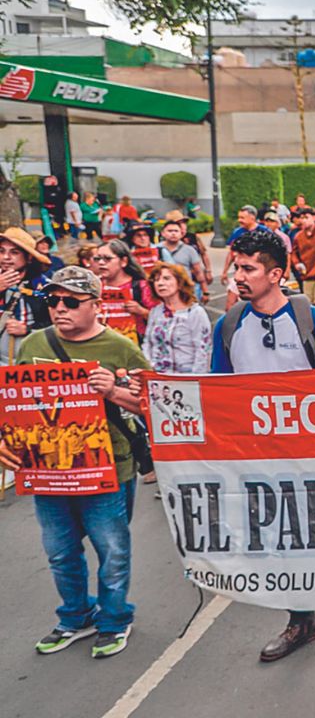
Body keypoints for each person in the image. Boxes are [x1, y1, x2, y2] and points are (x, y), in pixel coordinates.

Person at [210, 227, 315, 662]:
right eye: (236, 267)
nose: (238, 276)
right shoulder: (228, 326)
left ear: (275, 273)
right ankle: (301, 621)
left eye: (248, 268)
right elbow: (217, 395)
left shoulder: (310, 319)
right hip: (260, 461)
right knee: (282, 543)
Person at [0, 266, 149, 659]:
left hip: (107, 470)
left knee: (111, 549)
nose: (59, 309)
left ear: (96, 306)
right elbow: (11, 404)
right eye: (52, 301)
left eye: (70, 301)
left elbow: (155, 407)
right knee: (60, 550)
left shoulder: (121, 348)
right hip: (45, 470)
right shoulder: (33, 343)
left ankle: (115, 619)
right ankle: (76, 616)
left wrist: (114, 390)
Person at [143, 263, 211, 374]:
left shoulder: (195, 313)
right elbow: (148, 343)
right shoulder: (155, 312)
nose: (160, 283)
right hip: (158, 378)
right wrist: (149, 368)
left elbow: (203, 351)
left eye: (166, 278)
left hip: (186, 379)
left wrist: (196, 379)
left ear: (179, 283)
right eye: (156, 280)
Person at [0, 227, 52, 365]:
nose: (6, 257)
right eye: (1, 251)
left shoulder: (44, 286)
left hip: (34, 361)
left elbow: (57, 324)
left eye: (14, 252)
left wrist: (28, 329)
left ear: (29, 258)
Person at [93, 240, 156, 345]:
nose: (101, 263)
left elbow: (162, 319)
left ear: (124, 261)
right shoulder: (93, 286)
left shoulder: (141, 286)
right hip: (100, 344)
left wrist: (141, 311)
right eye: (97, 259)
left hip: (136, 346)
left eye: (107, 259)